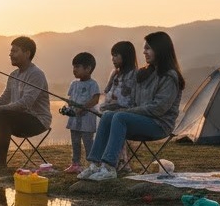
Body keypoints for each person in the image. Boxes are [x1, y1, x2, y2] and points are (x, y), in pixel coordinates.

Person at [78, 31, 185, 181]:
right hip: (140, 121)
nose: (144, 52)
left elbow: (158, 108)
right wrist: (115, 107)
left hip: (159, 125)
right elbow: (134, 102)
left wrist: (127, 111)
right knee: (108, 116)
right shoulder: (144, 74)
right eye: (144, 48)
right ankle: (95, 164)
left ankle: (109, 167)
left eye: (148, 48)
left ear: (160, 50)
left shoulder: (169, 76)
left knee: (120, 117)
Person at [0, 36, 52, 176]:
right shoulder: (13, 75)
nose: (10, 54)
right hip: (15, 119)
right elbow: (3, 100)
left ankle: (0, 164)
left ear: (27, 53)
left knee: (3, 115)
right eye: (10, 51)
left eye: (14, 51)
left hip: (37, 121)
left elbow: (25, 103)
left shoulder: (36, 74)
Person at [99, 41, 138, 174]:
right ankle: (106, 162)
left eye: (116, 55)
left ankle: (118, 163)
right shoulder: (115, 74)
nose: (113, 59)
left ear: (126, 56)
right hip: (111, 110)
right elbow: (108, 91)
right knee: (109, 124)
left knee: (115, 125)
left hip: (126, 112)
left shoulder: (134, 75)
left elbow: (129, 98)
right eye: (112, 56)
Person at [63, 52, 100, 174]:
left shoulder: (93, 84)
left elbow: (95, 100)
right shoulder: (73, 84)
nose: (74, 70)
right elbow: (70, 100)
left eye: (77, 67)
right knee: (75, 142)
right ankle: (75, 164)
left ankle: (93, 164)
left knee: (88, 142)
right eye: (73, 67)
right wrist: (68, 108)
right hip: (74, 120)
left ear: (88, 68)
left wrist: (83, 108)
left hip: (87, 121)